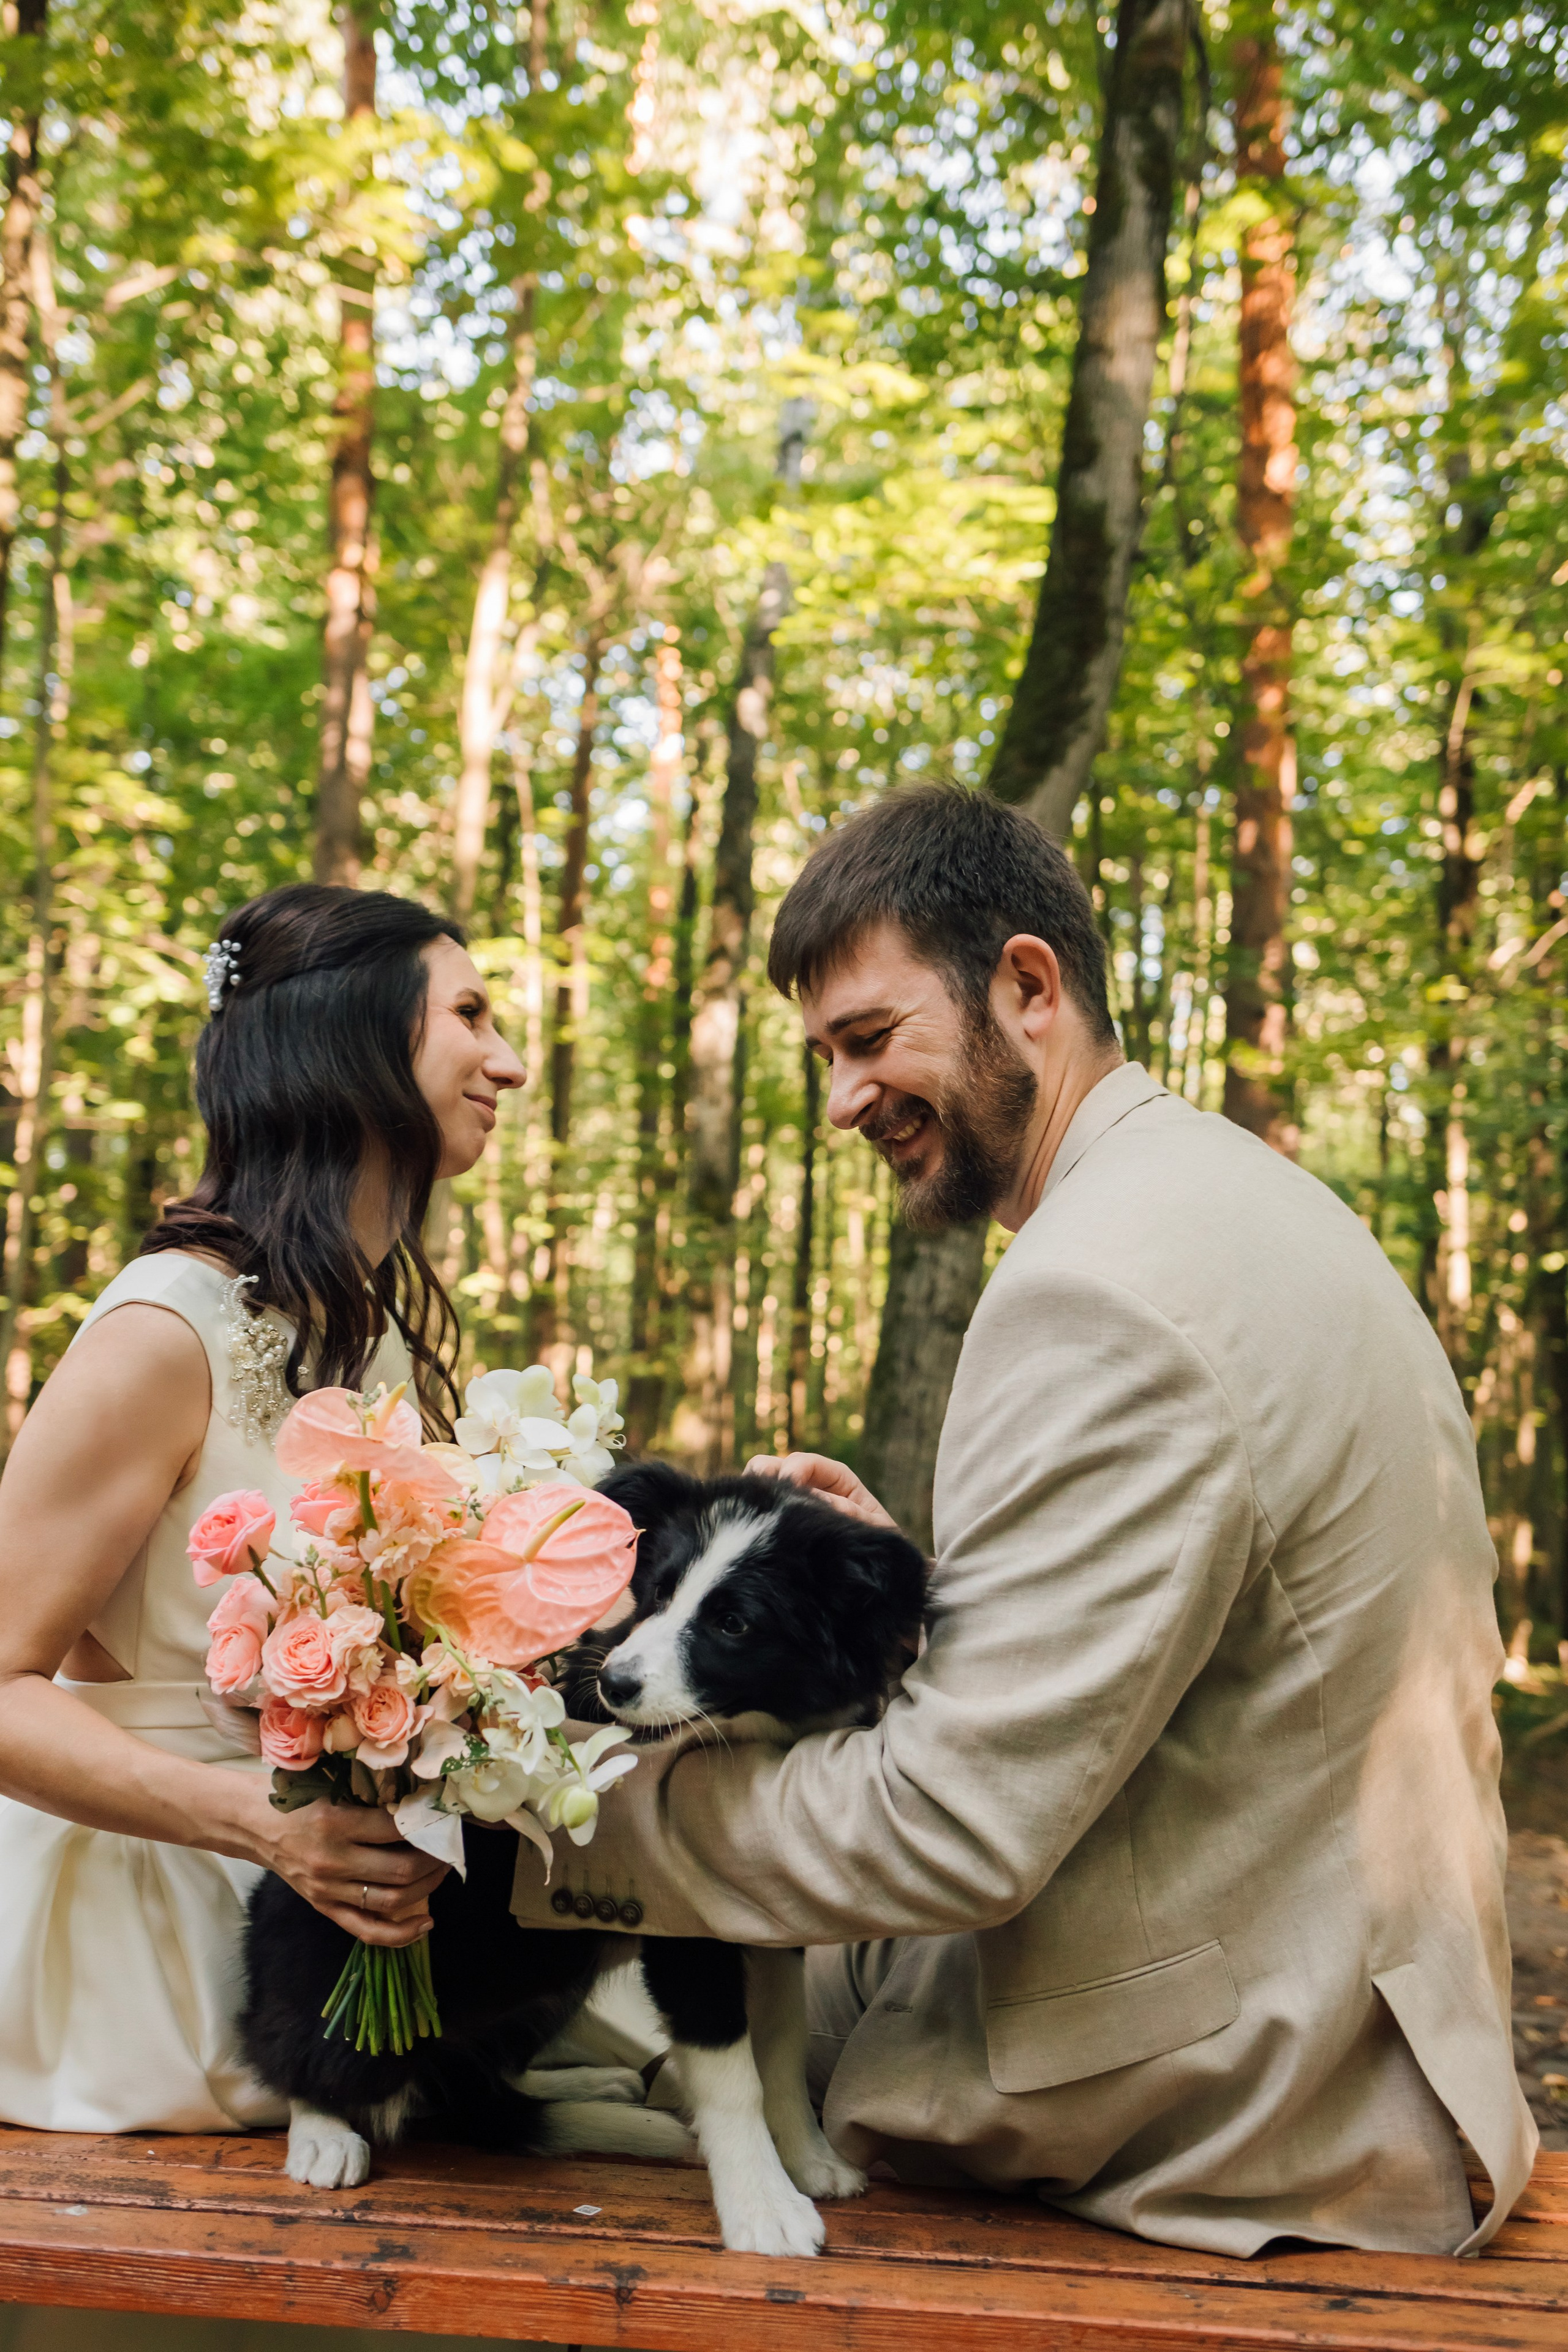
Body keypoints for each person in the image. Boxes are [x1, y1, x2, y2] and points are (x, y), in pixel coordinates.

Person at [511, 783, 1536, 2258]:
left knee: (563, 2063)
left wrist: (538, 1818)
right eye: (824, 1059)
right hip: (1331, 1995)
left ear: (1027, 985)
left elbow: (948, 1832)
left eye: (869, 1040)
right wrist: (900, 1593)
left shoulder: (1093, 1287)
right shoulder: (1227, 1194)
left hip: (1223, 2102)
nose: (846, 1099)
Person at [0, 884, 524, 2133]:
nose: (507, 1061)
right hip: (166, 1947)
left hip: (350, 1929)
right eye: (470, 1015)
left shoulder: (374, 1334)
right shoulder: (162, 1328)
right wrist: (258, 1824)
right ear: (355, 1042)